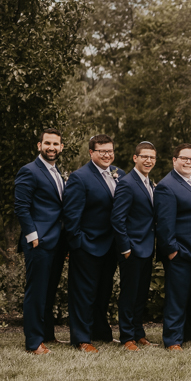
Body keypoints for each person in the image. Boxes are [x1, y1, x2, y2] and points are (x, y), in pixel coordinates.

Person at [63, 134, 125, 352]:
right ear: (91, 153)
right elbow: (71, 217)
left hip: (110, 246)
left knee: (103, 292)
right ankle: (81, 338)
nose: (107, 155)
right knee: (83, 294)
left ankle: (101, 333)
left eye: (110, 151)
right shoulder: (80, 178)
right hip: (87, 245)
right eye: (102, 151)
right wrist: (78, 243)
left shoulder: (120, 174)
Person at [155, 143, 191, 351]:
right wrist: (172, 251)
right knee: (177, 298)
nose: (189, 162)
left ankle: (186, 333)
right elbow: (164, 223)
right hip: (181, 252)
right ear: (174, 160)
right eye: (184, 158)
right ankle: (172, 340)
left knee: (189, 297)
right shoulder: (167, 185)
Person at [14, 128, 67, 354]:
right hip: (39, 242)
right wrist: (33, 236)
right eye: (48, 143)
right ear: (39, 145)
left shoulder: (57, 173)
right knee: (36, 292)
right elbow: (21, 207)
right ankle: (34, 342)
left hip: (57, 242)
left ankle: (47, 335)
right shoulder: (29, 171)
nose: (52, 148)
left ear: (61, 147)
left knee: (48, 291)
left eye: (56, 144)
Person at [111, 141, 158, 351]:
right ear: (135, 158)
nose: (148, 160)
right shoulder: (127, 183)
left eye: (152, 157)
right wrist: (125, 248)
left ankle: (138, 333)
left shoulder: (149, 183)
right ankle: (127, 336)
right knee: (129, 294)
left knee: (140, 294)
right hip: (131, 249)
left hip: (147, 248)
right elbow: (117, 218)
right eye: (144, 156)